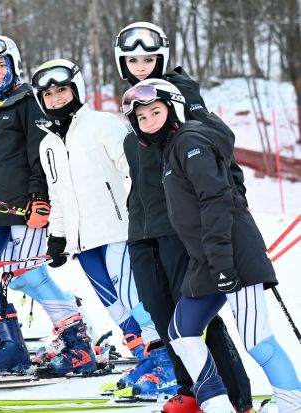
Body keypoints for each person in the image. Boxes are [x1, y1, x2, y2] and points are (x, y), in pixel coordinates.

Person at [123, 77, 301, 413]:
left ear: (173, 109)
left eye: (154, 112)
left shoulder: (191, 142)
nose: (148, 122)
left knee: (258, 341)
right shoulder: (171, 148)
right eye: (141, 118)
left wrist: (222, 263)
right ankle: (216, 404)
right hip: (207, 261)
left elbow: (216, 201)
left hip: (233, 257)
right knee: (181, 332)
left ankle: (293, 406)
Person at [115, 21, 253, 413]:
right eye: (133, 60)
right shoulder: (135, 101)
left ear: (162, 58)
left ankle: (236, 397)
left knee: (191, 317)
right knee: (161, 314)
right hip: (143, 227)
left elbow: (217, 147)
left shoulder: (182, 93)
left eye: (148, 58)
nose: (141, 66)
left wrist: (233, 200)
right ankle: (192, 389)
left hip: (177, 227)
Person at [31, 58, 178, 394]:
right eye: (49, 94)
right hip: (84, 242)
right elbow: (58, 195)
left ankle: (169, 363)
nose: (56, 99)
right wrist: (58, 237)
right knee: (113, 304)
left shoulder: (102, 125)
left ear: (76, 90)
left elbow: (135, 170)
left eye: (62, 91)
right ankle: (145, 359)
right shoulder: (48, 144)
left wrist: (140, 215)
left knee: (133, 297)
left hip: (118, 230)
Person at [0, 35, 97, 375]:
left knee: (24, 275)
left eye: (0, 66)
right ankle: (10, 347)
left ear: (13, 64)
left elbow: (42, 156)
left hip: (24, 208)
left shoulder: (29, 101)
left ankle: (78, 344)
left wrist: (40, 199)